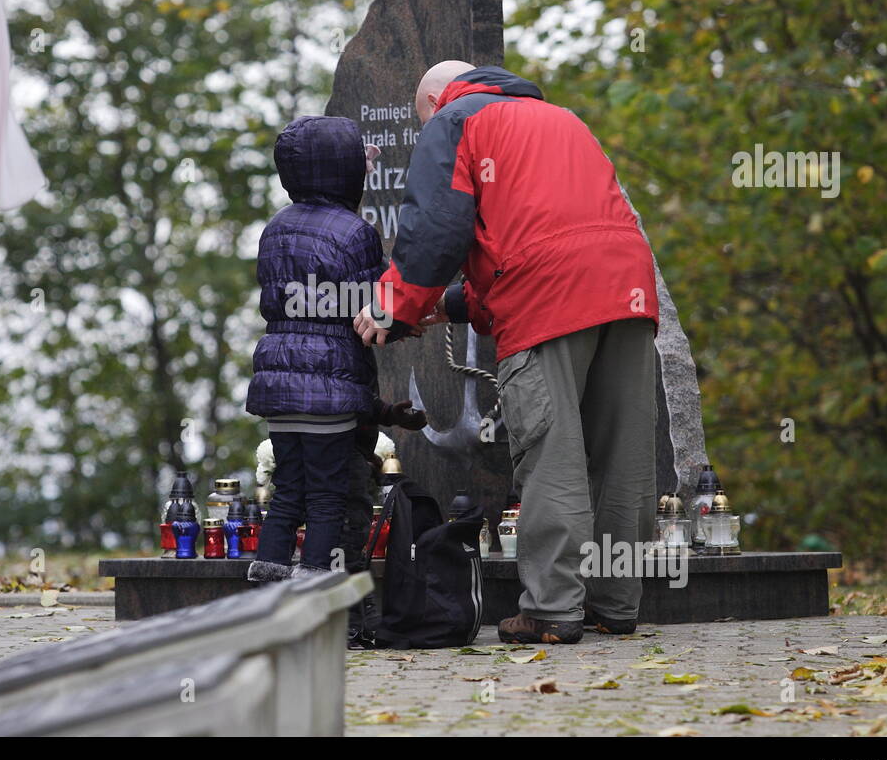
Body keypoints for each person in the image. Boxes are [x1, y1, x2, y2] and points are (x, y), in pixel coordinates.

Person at [355, 61, 660, 644]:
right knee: (624, 456)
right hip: (626, 287)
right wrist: (447, 305)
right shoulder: (561, 118)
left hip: (550, 297)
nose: (428, 129)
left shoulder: (455, 119)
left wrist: (395, 307)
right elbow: (537, 233)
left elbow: (436, 229)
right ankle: (617, 604)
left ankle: (552, 609)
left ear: (436, 99)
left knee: (554, 453)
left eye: (426, 118)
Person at [245, 116, 424, 583]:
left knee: (287, 491)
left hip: (279, 383)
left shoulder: (275, 228)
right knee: (328, 496)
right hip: (331, 387)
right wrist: (405, 322)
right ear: (346, 170)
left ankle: (266, 582)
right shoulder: (353, 232)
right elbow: (368, 307)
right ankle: (315, 587)